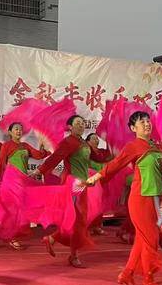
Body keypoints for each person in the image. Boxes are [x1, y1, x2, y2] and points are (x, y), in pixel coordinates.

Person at [87, 111, 162, 285]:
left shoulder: (157, 146)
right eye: (142, 122)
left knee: (141, 240)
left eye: (148, 121)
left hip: (154, 198)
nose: (147, 124)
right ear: (133, 128)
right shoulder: (133, 146)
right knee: (150, 240)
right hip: (140, 198)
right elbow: (116, 163)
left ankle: (127, 274)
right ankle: (148, 279)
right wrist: (97, 176)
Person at [38, 115, 109, 268]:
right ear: (70, 127)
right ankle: (73, 254)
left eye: (82, 123)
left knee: (79, 220)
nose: (81, 125)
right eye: (77, 123)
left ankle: (54, 240)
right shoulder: (68, 142)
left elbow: (98, 156)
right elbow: (55, 158)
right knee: (76, 219)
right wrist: (40, 170)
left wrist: (112, 148)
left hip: (83, 184)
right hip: (73, 184)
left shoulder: (83, 143)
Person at [0, 122, 49, 250]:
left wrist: (42, 147)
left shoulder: (25, 145)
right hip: (11, 179)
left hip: (22, 180)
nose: (19, 131)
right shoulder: (7, 145)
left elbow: (38, 155)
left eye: (20, 129)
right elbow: (0, 161)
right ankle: (12, 237)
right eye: (16, 129)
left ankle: (14, 235)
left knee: (22, 207)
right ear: (10, 132)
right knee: (13, 208)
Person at [86, 133, 112, 236]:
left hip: (101, 180)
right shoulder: (86, 151)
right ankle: (87, 227)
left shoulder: (101, 152)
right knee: (91, 205)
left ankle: (96, 226)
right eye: (93, 139)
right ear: (88, 141)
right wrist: (103, 166)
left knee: (100, 204)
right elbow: (90, 165)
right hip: (91, 181)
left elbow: (111, 156)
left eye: (97, 139)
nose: (96, 140)